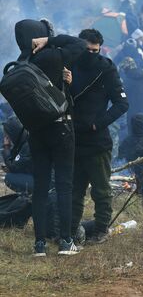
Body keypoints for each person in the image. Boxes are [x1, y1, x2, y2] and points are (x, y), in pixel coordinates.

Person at [14, 18, 86, 256]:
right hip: (61, 128)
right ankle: (66, 241)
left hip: (37, 132)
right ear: (39, 35)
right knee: (65, 185)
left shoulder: (22, 63)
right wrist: (51, 39)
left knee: (41, 188)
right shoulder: (52, 56)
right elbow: (80, 44)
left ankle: (39, 245)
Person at [70, 29, 129, 244]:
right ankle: (71, 232)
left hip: (97, 142)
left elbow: (122, 103)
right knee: (74, 192)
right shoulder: (69, 64)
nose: (91, 53)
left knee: (101, 191)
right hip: (73, 139)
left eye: (96, 50)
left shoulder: (106, 68)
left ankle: (101, 230)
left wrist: (98, 123)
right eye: (87, 49)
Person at [119, 57, 143, 136]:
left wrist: (119, 91)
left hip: (133, 116)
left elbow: (122, 97)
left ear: (126, 69)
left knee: (135, 139)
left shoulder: (126, 82)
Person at [2, 116, 33, 194]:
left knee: (9, 178)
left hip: (45, 183)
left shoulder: (27, 146)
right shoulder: (25, 141)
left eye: (7, 135)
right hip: (42, 178)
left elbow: (13, 167)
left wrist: (6, 147)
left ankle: (28, 198)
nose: (7, 138)